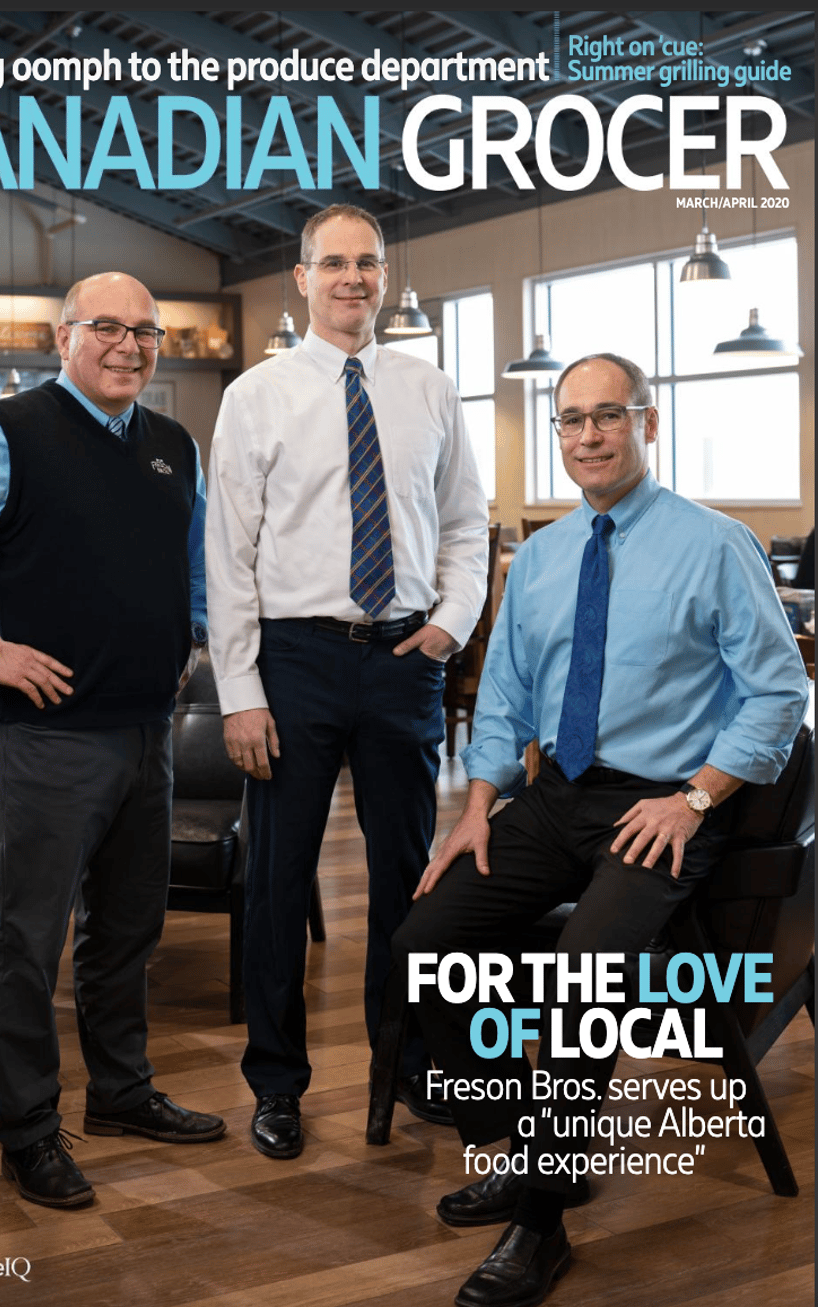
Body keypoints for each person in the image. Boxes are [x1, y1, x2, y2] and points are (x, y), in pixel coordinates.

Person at [392, 353, 809, 1307]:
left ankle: (539, 1228)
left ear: (647, 425)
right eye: (571, 420)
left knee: (581, 983)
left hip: (661, 802)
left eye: (607, 417)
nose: (587, 435)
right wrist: (476, 807)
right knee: (424, 943)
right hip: (553, 797)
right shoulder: (538, 559)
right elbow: (501, 699)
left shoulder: (714, 543)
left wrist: (695, 796)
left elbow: (780, 690)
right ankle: (539, 1148)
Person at [0, 272, 225, 1209]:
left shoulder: (174, 445)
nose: (128, 345)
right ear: (64, 337)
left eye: (145, 331)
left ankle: (120, 1091)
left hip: (143, 734)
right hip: (42, 742)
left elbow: (195, 561)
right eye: (105, 327)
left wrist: (187, 635)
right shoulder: (5, 432)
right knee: (24, 945)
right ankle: (27, 1131)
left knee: (127, 931)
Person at [205, 204, 489, 1159]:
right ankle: (277, 1083)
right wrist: (240, 689)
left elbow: (462, 525)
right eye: (335, 263)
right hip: (295, 661)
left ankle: (406, 1063)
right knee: (280, 882)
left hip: (406, 659)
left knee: (406, 880)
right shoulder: (256, 395)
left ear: (383, 274)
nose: (353, 279)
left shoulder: (431, 389)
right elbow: (228, 554)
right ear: (302, 277)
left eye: (368, 263)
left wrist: (453, 622)